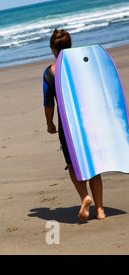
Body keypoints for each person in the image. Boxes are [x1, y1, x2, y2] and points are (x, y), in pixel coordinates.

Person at [43, 28, 105, 221]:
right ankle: (100, 210)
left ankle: (85, 196)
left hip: (67, 125)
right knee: (93, 164)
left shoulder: (50, 72)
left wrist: (49, 123)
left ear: (53, 48)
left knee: (72, 164)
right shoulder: (84, 63)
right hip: (89, 121)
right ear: (70, 44)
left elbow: (48, 102)